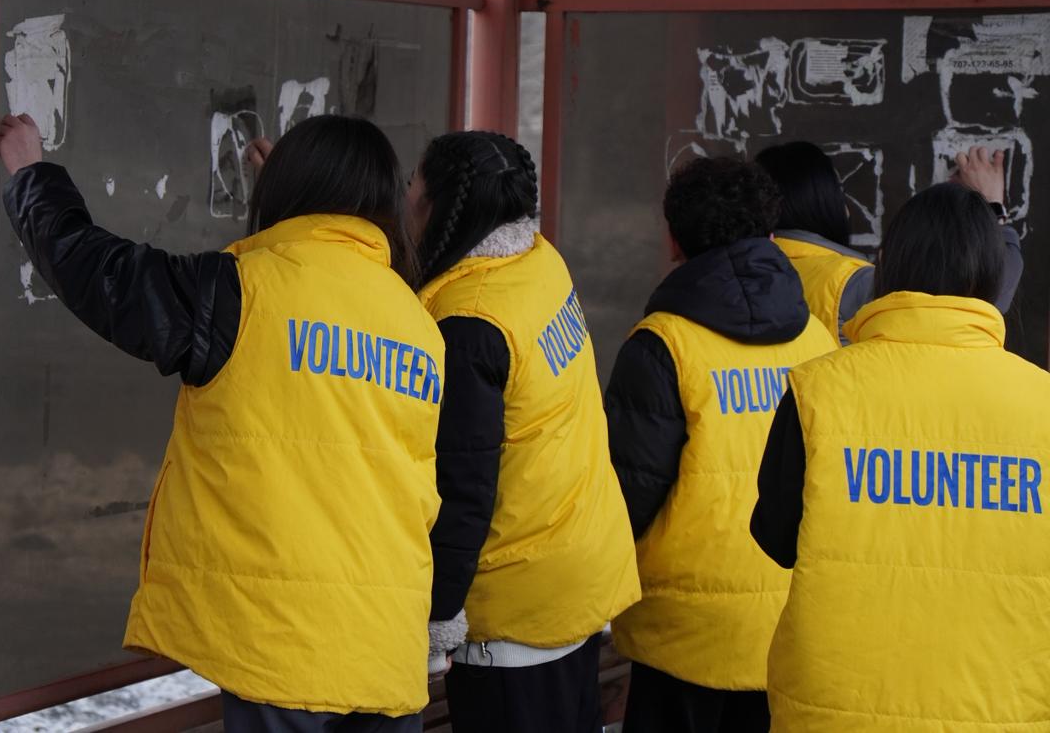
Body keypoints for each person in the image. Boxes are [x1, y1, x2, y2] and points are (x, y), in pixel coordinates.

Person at [0, 113, 444, 732]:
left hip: (284, 648)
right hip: (386, 650)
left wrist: (32, 175)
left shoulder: (239, 292)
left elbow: (104, 276)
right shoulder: (415, 319)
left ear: (294, 188)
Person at [752, 181, 1050, 731]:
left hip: (836, 706)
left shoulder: (817, 389)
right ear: (992, 275)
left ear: (886, 263)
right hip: (1002, 708)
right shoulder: (1043, 403)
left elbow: (776, 538)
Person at [408, 131, 640, 732]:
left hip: (512, 613)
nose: (406, 198)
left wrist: (437, 619)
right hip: (569, 575)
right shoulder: (537, 261)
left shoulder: (469, 324)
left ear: (440, 207)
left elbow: (463, 486)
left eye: (414, 185)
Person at [605, 157, 837, 733]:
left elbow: (627, 497)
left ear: (674, 241)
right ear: (771, 237)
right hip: (789, 624)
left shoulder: (662, 344)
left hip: (683, 635)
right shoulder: (817, 338)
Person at [756, 141, 1024, 344]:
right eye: (840, 192)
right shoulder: (852, 282)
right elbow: (973, 300)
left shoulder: (753, 272)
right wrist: (992, 210)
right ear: (825, 204)